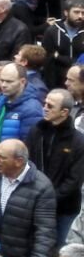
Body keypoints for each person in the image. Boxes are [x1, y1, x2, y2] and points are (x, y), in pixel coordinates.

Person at [26, 89, 84, 244]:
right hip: (34, 202)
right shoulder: (36, 131)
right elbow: (27, 163)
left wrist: (49, 199)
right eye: (44, 103)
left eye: (50, 106)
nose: (44, 108)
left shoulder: (78, 142)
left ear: (64, 112)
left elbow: (74, 180)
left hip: (64, 208)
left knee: (58, 249)